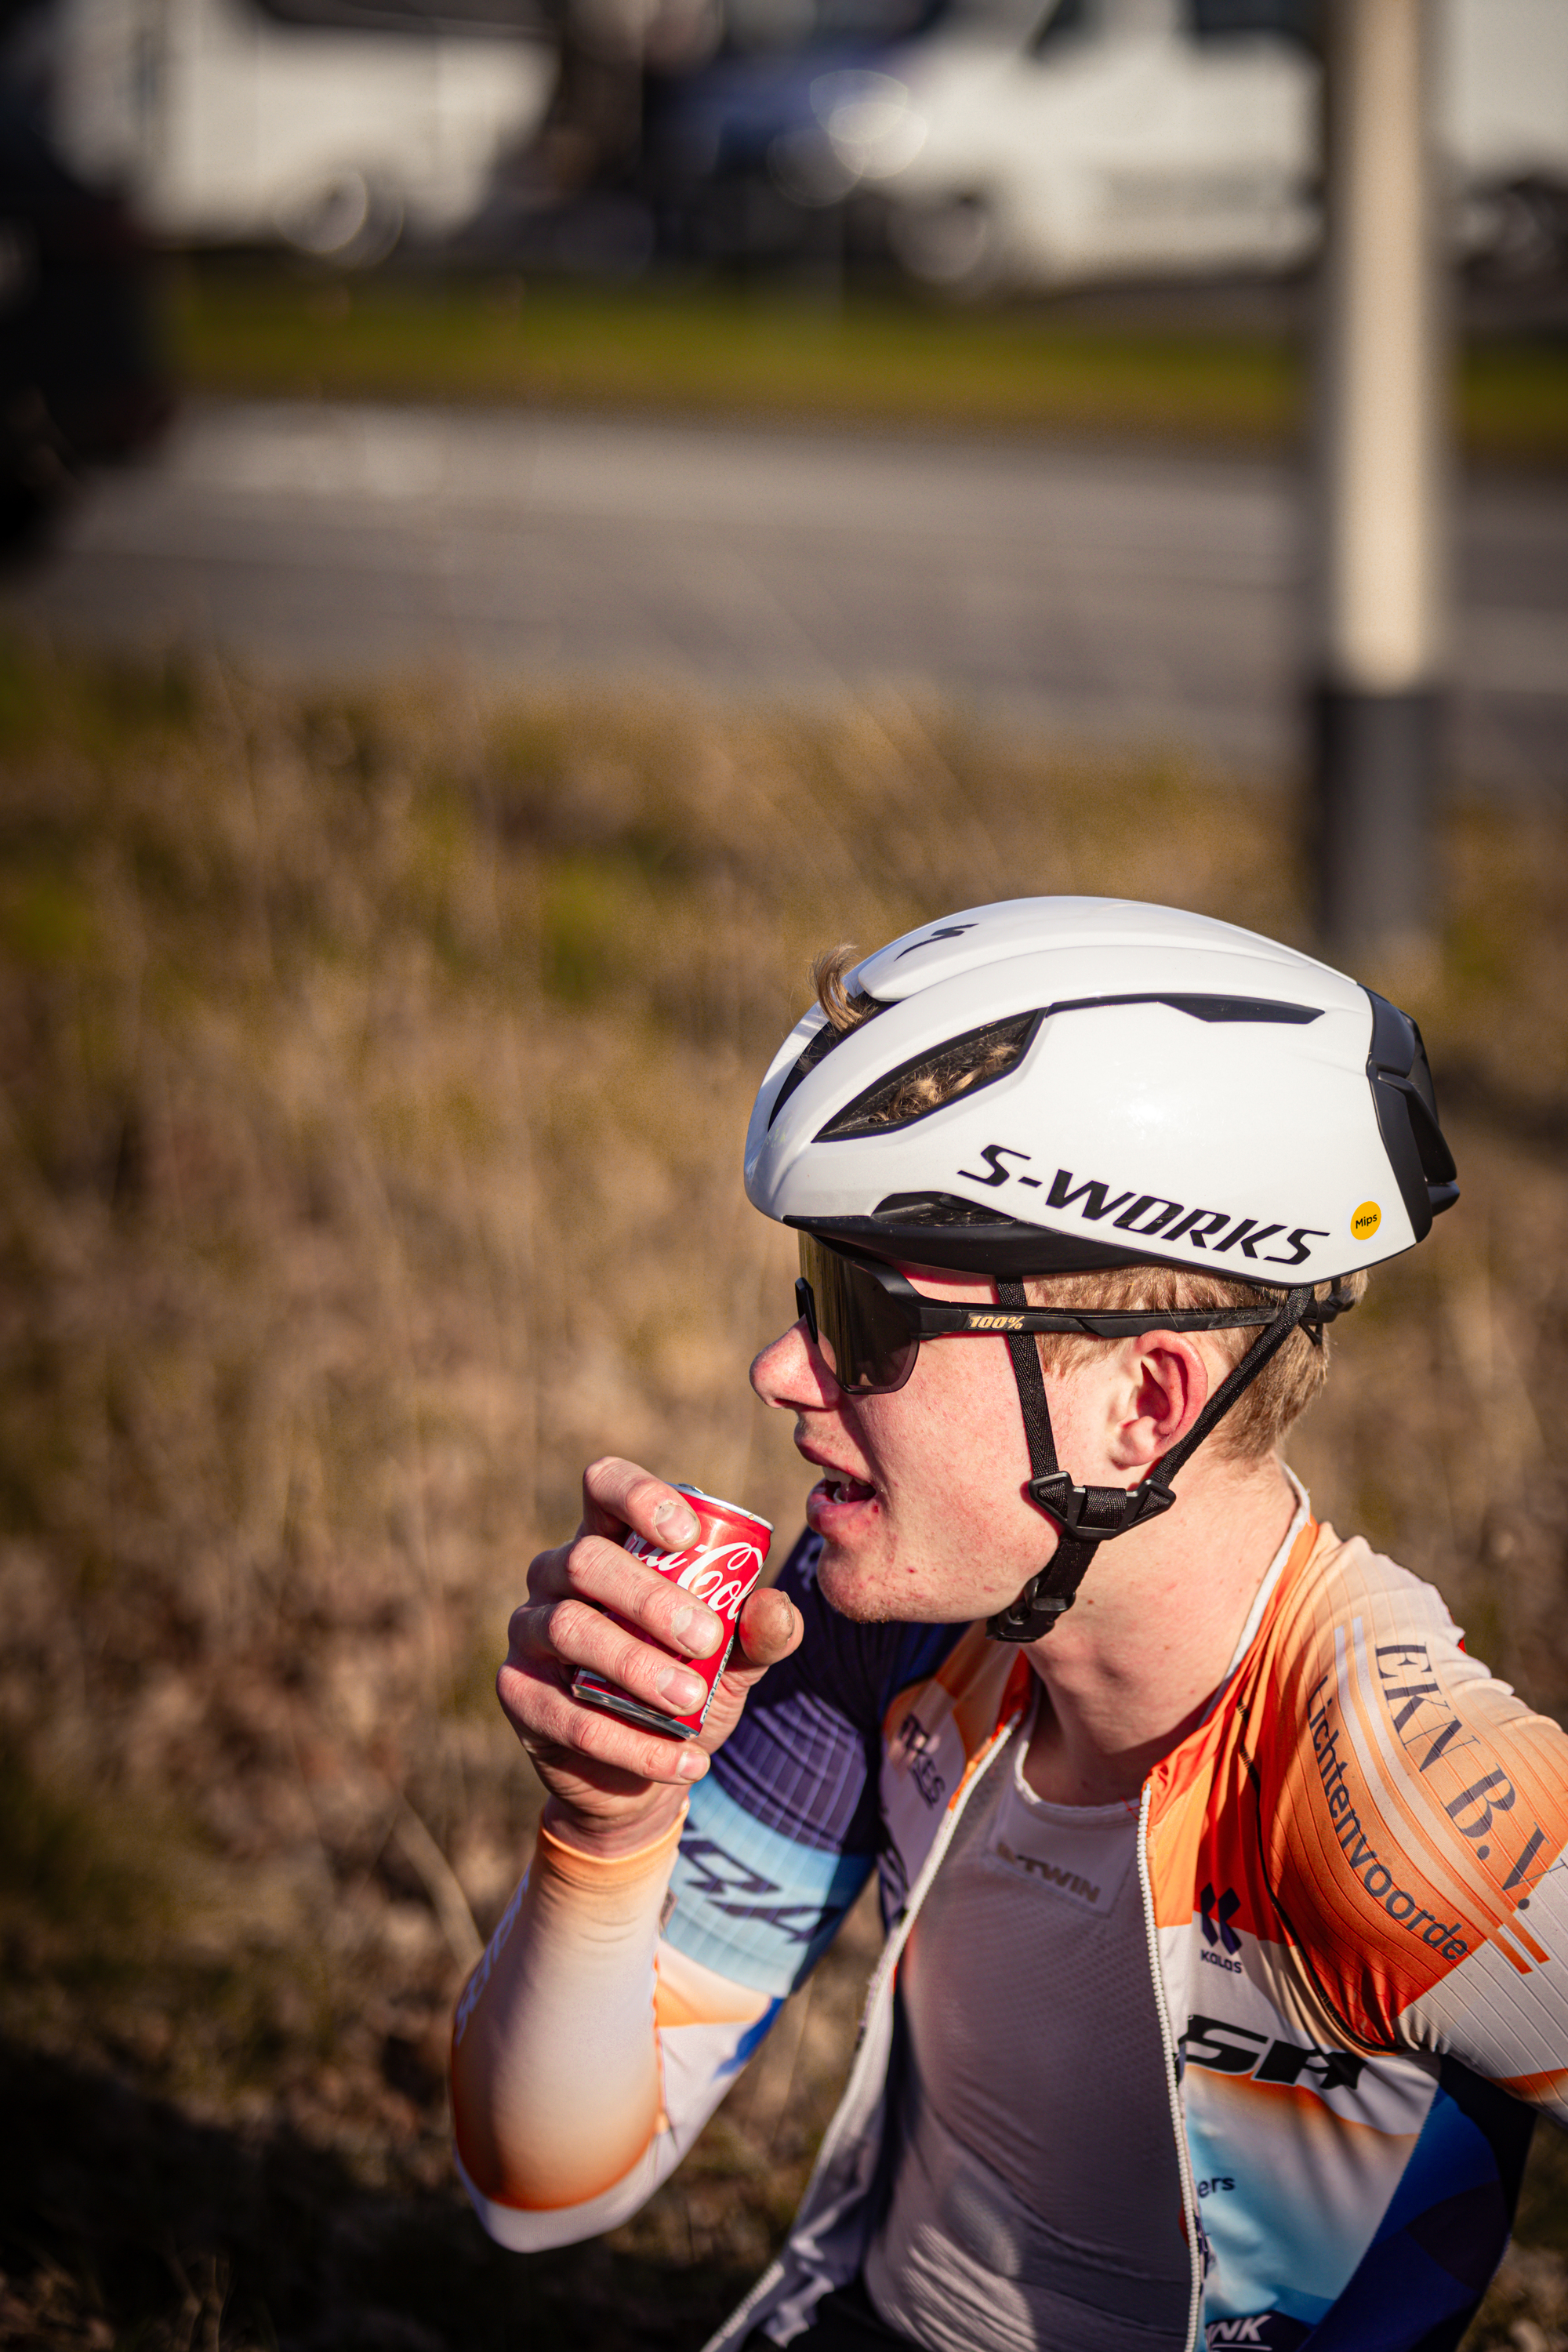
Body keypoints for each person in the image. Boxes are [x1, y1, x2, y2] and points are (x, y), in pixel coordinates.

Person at [450, 897, 1568, 2352]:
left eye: (868, 1316)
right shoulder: (890, 1632)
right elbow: (544, 2188)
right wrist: (606, 1834)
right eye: (810, 1293)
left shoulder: (1401, 1795)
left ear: (1141, 1406)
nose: (781, 1368)